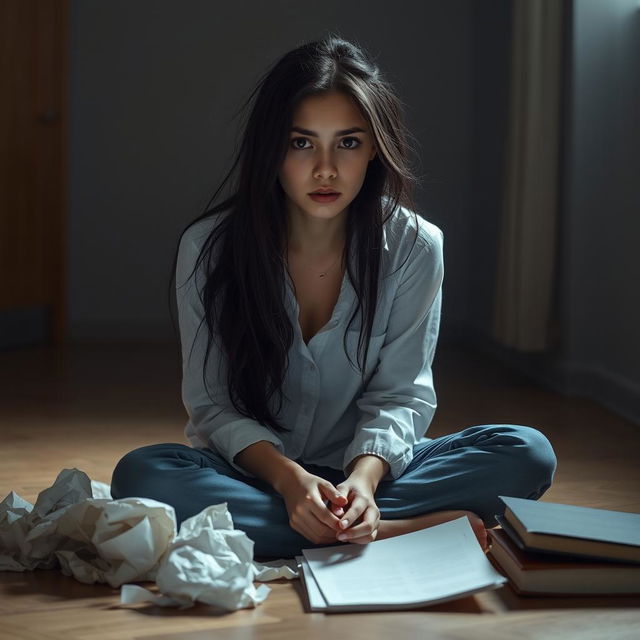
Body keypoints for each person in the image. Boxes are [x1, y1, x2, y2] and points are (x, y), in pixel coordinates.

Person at [110, 34, 557, 559]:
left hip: (372, 476)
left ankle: (342, 523)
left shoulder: (415, 246)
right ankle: (394, 530)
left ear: (374, 148)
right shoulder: (209, 248)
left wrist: (363, 483)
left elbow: (402, 395)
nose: (325, 168)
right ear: (271, 149)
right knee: (142, 475)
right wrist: (290, 482)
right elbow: (213, 404)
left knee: (525, 452)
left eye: (348, 142)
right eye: (302, 143)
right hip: (255, 475)